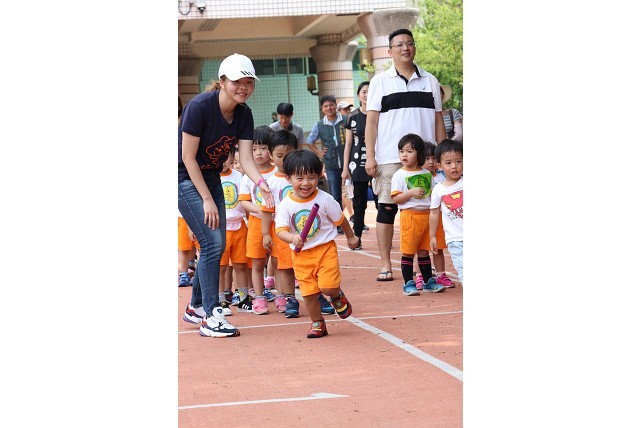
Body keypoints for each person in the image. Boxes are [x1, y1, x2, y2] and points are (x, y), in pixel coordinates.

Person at [179, 53, 274, 338]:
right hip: (183, 176)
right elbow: (187, 157)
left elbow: (245, 158)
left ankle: (196, 306)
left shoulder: (244, 114)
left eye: (249, 82)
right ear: (222, 82)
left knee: (215, 246)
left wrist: (261, 183)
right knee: (212, 242)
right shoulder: (199, 107)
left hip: (211, 177)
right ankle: (211, 315)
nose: (243, 87)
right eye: (236, 81)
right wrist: (207, 199)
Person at [365, 28, 447, 282]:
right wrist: (370, 156)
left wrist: (441, 155)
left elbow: (438, 120)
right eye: (399, 44)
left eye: (409, 43)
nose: (405, 48)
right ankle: (385, 264)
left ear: (414, 48)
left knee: (424, 209)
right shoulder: (380, 81)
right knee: (387, 209)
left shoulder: (430, 80)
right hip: (391, 157)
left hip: (425, 159)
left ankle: (423, 267)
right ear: (390, 51)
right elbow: (372, 122)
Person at [275, 150, 359, 338]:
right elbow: (280, 230)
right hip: (301, 256)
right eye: (300, 178)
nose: (306, 183)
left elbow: (340, 220)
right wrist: (292, 238)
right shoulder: (286, 204)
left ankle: (336, 295)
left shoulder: (325, 199)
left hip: (325, 250)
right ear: (288, 178)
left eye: (311, 178)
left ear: (319, 176)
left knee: (328, 287)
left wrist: (351, 237)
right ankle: (318, 323)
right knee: (309, 294)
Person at [390, 134, 446, 295]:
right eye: (401, 151)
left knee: (424, 251)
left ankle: (428, 281)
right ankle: (408, 283)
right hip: (410, 216)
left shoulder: (427, 174)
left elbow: (434, 194)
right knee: (408, 251)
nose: (404, 155)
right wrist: (411, 192)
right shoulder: (399, 175)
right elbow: (396, 199)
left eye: (409, 151)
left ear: (419, 153)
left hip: (427, 217)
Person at [260, 129, 299, 317]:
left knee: (308, 265)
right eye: (280, 156)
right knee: (285, 267)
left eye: (288, 155)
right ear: (271, 155)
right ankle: (289, 298)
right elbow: (266, 210)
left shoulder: (301, 177)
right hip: (282, 233)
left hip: (302, 231)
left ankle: (316, 295)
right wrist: (266, 234)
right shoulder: (270, 183)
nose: (284, 160)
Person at [239, 126, 277, 315]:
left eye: (263, 148)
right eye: (254, 149)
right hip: (256, 224)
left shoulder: (278, 172)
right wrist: (260, 210)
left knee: (278, 261)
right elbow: (244, 201)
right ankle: (259, 297)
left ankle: (282, 296)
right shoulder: (248, 176)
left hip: (277, 224)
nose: (258, 153)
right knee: (257, 262)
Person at [414, 141, 455, 289]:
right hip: (422, 217)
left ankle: (440, 275)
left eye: (433, 158)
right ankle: (419, 275)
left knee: (438, 248)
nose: (430, 162)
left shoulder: (441, 179)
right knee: (421, 249)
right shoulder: (416, 177)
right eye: (426, 158)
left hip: (437, 218)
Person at [218, 148, 251, 315]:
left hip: (239, 226)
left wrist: (249, 221)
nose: (223, 161)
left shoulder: (239, 177)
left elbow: (246, 200)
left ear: (232, 157)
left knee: (240, 264)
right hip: (219, 227)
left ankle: (243, 298)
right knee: (220, 267)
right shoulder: (210, 178)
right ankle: (220, 300)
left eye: (226, 157)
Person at [341, 81, 372, 250]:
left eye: (370, 91)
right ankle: (357, 237)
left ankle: (386, 237)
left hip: (378, 163)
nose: (367, 94)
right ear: (359, 95)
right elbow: (348, 144)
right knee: (359, 204)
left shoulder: (380, 114)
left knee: (383, 203)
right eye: (364, 91)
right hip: (357, 165)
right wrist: (345, 168)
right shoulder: (352, 117)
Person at [429, 139, 463, 286]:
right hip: (455, 239)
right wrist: (432, 236)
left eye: (458, 161)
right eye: (448, 163)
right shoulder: (438, 189)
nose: (454, 166)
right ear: (440, 166)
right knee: (463, 269)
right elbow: (434, 213)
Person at [305, 95, 345, 212]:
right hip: (331, 164)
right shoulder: (320, 124)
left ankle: (356, 219)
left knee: (353, 192)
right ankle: (338, 219)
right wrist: (320, 153)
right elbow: (309, 141)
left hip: (348, 162)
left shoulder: (345, 119)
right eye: (326, 106)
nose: (329, 108)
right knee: (335, 194)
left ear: (335, 106)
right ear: (322, 109)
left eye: (331, 105)